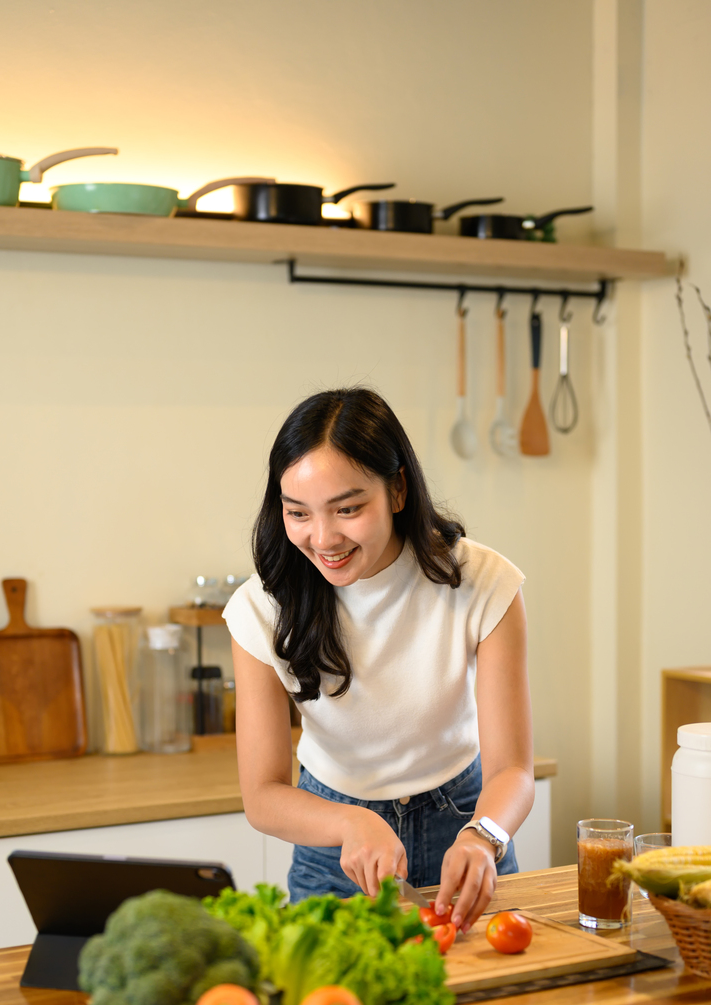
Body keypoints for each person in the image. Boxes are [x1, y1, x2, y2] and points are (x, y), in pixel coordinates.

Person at [223, 387, 534, 933]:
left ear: (396, 491)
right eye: (298, 513)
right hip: (334, 845)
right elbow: (263, 796)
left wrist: (486, 836)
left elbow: (513, 770)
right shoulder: (260, 608)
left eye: (347, 509)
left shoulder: (482, 582)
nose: (323, 538)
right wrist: (350, 822)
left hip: (465, 825)